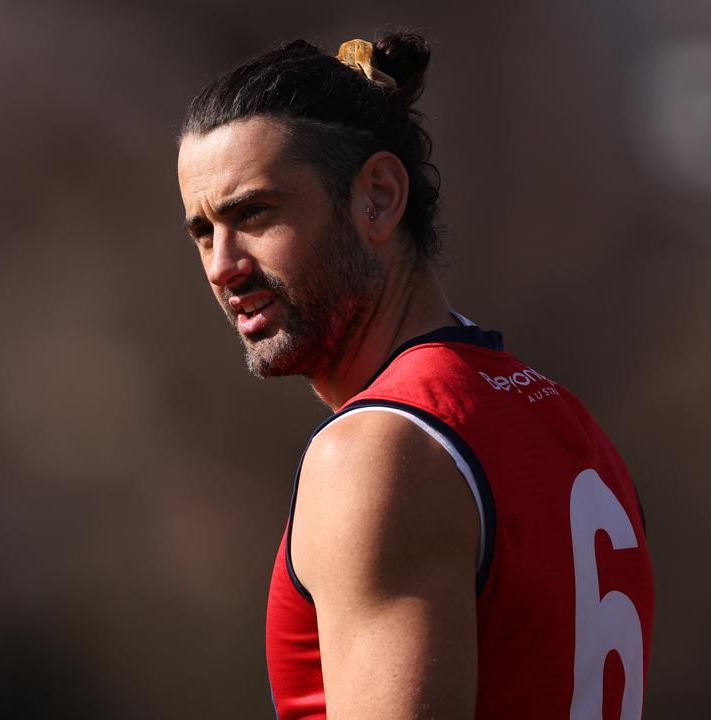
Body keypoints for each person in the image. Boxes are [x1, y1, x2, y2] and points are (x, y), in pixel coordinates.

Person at [176, 32, 654, 720]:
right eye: (202, 231)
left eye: (253, 213)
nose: (222, 264)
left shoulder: (379, 454)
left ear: (377, 197)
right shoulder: (567, 424)